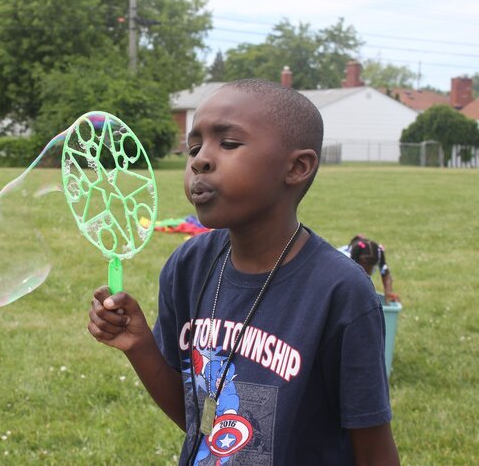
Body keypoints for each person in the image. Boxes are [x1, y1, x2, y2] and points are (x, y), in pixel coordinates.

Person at [87, 80, 399, 464]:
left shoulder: (340, 290)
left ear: (297, 167)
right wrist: (138, 345)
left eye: (228, 144)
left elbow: (373, 447)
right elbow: (198, 417)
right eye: (194, 147)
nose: (199, 160)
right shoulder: (188, 267)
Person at [340, 235, 400, 304]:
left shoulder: (378, 255)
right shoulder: (344, 260)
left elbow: (385, 274)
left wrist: (388, 292)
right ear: (357, 261)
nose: (368, 271)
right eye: (365, 267)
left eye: (371, 267)